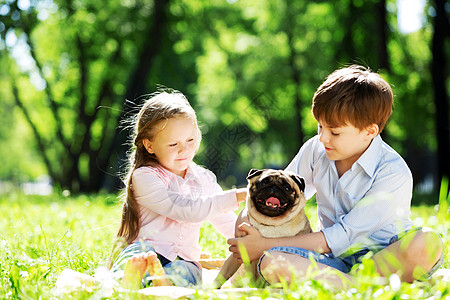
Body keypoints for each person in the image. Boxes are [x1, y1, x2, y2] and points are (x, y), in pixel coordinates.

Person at [227, 65, 444, 288]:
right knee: (271, 263)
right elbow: (284, 193)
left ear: (370, 131)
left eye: (335, 132)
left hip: (386, 258)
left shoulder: (392, 172)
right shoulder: (316, 150)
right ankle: (358, 285)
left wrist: (262, 244)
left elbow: (344, 237)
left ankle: (351, 284)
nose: (322, 138)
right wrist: (246, 221)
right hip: (331, 261)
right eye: (320, 127)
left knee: (427, 241)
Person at [108, 90, 247, 289]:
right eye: (173, 144)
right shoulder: (145, 177)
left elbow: (227, 222)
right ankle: (137, 278)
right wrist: (238, 195)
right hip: (146, 249)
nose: (184, 150)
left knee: (188, 272)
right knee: (134, 258)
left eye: (190, 140)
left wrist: (250, 241)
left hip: (184, 259)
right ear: (149, 145)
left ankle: (160, 282)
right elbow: (185, 209)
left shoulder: (204, 179)